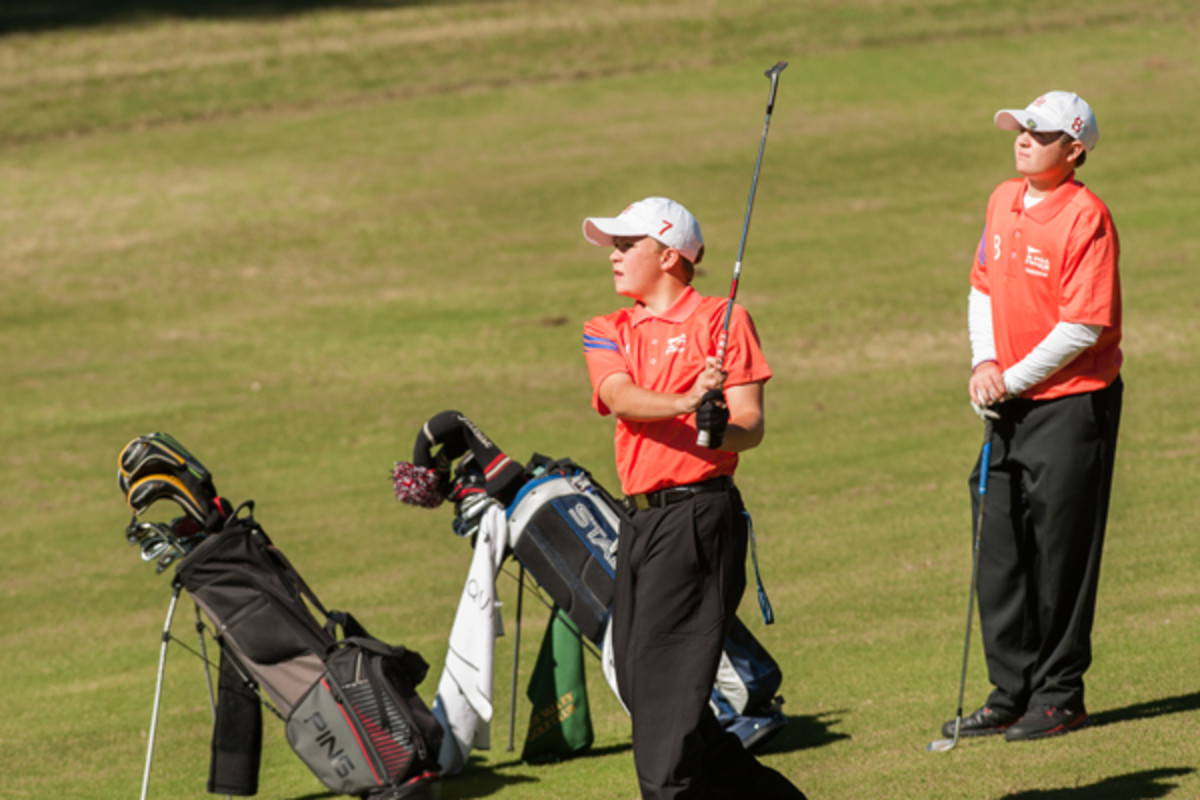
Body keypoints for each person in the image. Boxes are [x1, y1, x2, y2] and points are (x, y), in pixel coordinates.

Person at [580, 196, 805, 798]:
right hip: (642, 523)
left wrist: (714, 425)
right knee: (637, 680)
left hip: (700, 516)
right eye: (614, 245)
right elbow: (622, 397)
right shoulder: (609, 329)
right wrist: (687, 402)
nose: (615, 256)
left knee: (664, 711)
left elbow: (749, 425)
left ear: (671, 255)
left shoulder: (722, 320)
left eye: (629, 245)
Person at [947, 91, 1123, 742]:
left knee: (1061, 551)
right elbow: (982, 287)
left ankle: (1058, 694)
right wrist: (983, 363)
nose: (1023, 137)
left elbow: (1084, 325)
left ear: (1073, 150)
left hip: (1073, 401)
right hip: (1008, 400)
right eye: (1021, 128)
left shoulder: (1086, 216)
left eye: (1040, 133)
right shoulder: (1003, 199)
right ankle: (1009, 690)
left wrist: (1007, 380)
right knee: (1000, 548)